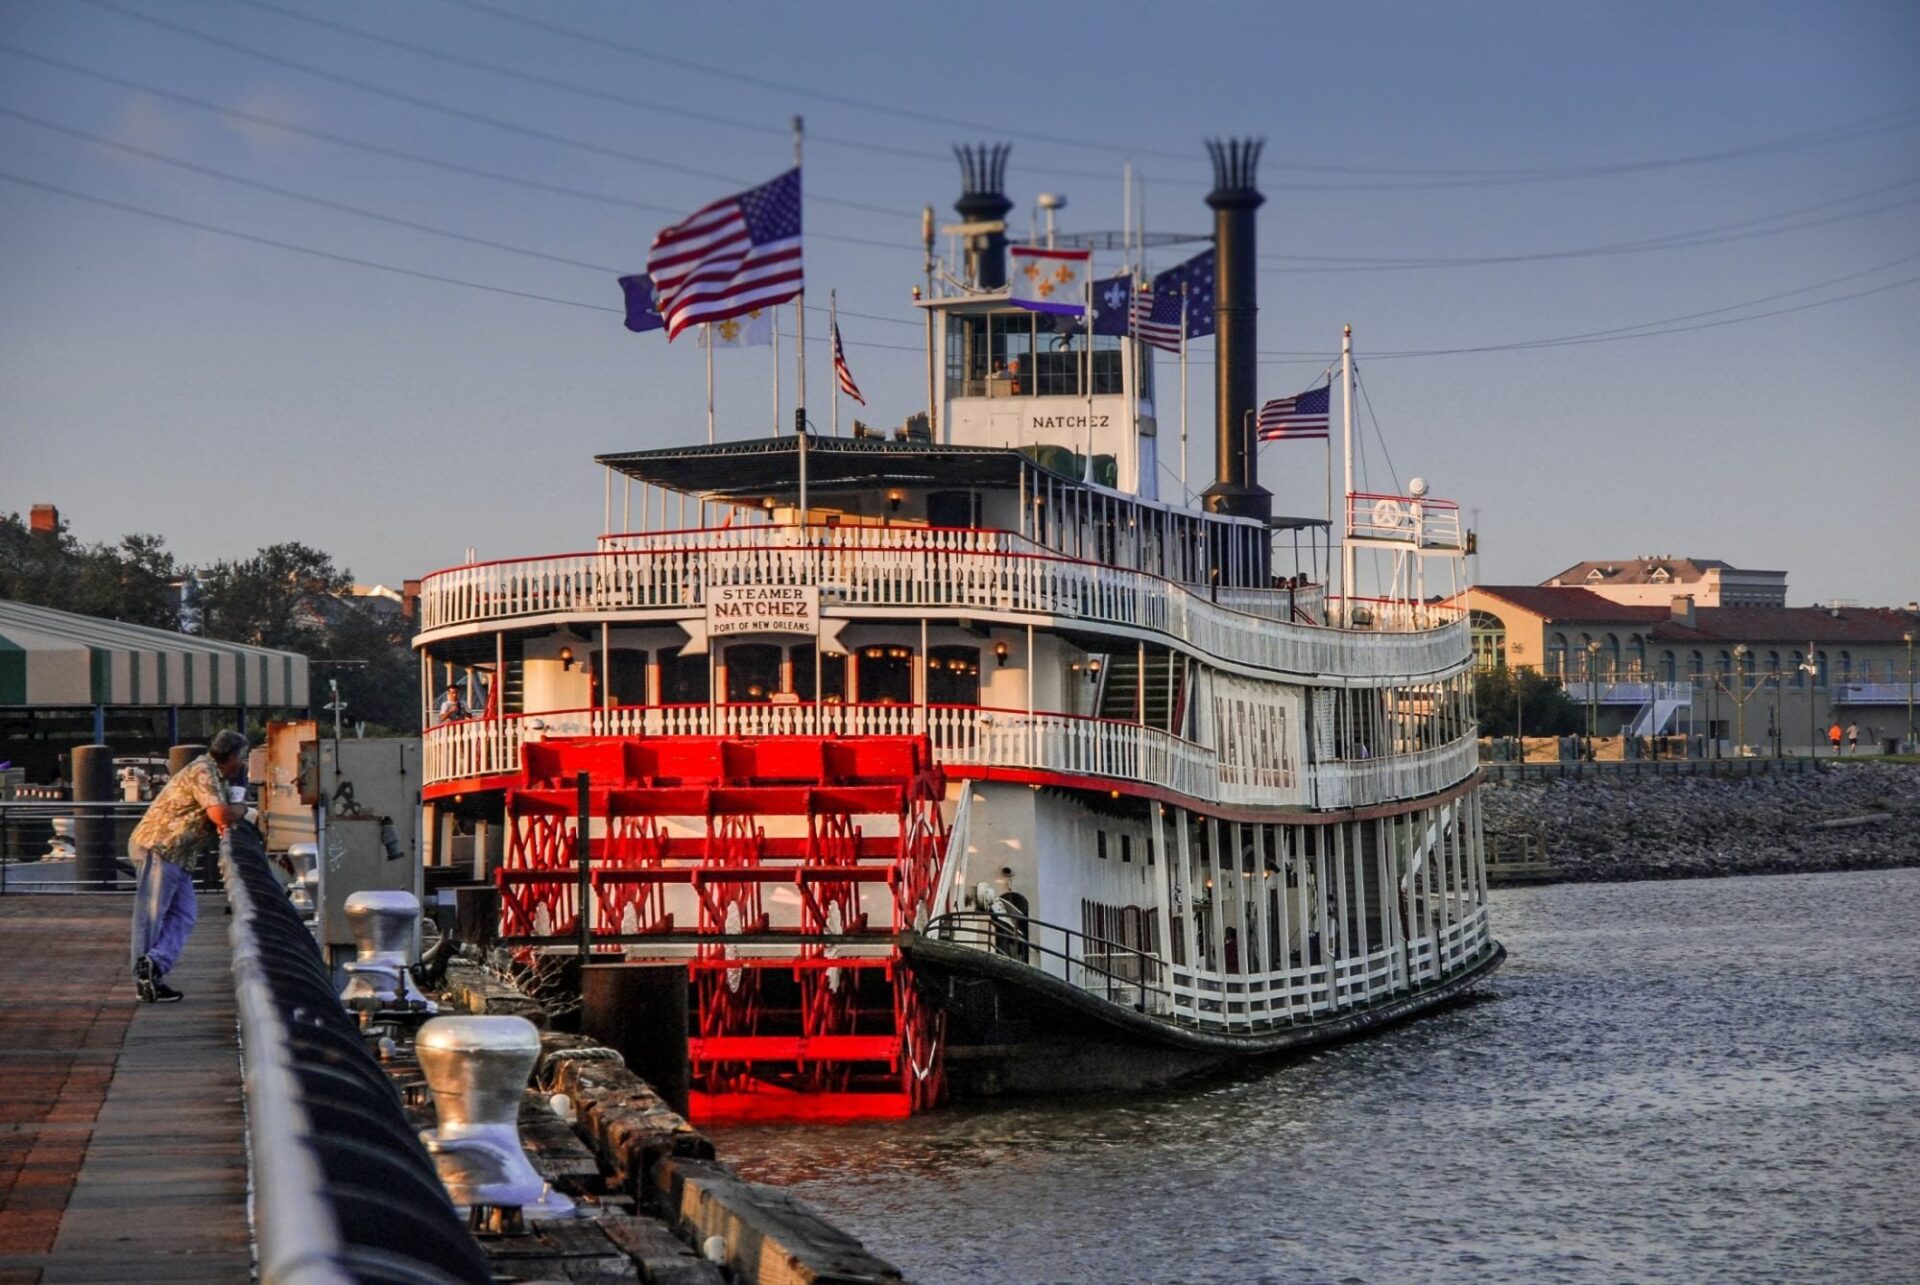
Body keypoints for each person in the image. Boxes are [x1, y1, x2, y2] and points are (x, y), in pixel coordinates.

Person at [129, 730, 249, 1003]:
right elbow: (220, 814)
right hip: (160, 847)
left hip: (177, 854)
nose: (242, 765)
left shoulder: (214, 775)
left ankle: (155, 964)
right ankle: (144, 980)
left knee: (185, 914)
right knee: (150, 916)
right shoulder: (203, 771)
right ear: (230, 756)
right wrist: (241, 809)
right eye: (241, 758)